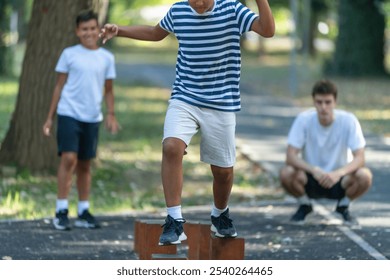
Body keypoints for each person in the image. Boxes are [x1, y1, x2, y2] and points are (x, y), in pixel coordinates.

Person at [100, 0, 275, 245]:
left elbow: (267, 30)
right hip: (185, 96)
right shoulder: (179, 11)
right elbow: (154, 33)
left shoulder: (233, 10)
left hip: (221, 102)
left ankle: (220, 213)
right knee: (171, 146)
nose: (199, 3)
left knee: (223, 172)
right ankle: (174, 220)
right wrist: (120, 29)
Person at [42, 9, 120, 231]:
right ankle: (61, 210)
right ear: (77, 31)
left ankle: (84, 210)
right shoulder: (69, 54)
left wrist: (111, 114)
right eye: (84, 29)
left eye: (93, 28)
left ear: (99, 29)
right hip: (69, 113)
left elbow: (109, 90)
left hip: (92, 117)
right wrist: (49, 117)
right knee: (69, 159)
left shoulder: (107, 58)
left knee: (85, 164)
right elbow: (58, 86)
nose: (89, 32)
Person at [279, 79, 372, 225]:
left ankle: (344, 205)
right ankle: (305, 205)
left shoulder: (348, 120)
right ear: (313, 102)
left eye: (328, 102)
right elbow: (290, 156)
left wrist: (339, 173)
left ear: (335, 102)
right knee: (286, 173)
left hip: (340, 180)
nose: (323, 107)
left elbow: (360, 158)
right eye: (319, 102)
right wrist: (313, 169)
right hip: (311, 178)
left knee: (364, 176)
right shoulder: (303, 120)